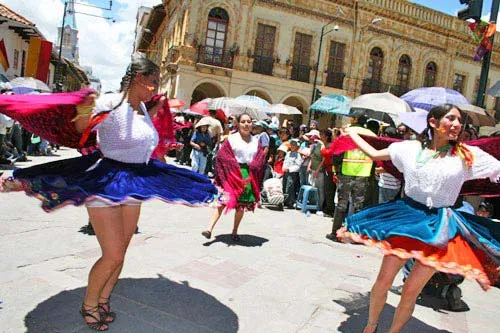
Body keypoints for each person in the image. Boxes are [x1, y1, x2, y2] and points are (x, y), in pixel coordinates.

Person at [0, 54, 218, 331]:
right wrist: (83, 109)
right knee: (112, 254)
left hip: (134, 182)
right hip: (106, 181)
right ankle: (88, 305)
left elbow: (143, 144)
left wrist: (166, 163)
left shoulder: (142, 111)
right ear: (139, 79)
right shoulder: (109, 102)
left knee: (122, 252)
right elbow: (81, 131)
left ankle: (103, 299)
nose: (156, 88)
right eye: (153, 82)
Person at [337, 104, 500, 333]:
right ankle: (370, 326)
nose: (457, 124)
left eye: (459, 120)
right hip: (407, 219)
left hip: (439, 227)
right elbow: (374, 154)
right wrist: (354, 133)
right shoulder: (410, 148)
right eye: (451, 118)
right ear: (433, 122)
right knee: (384, 281)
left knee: (411, 290)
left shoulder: (467, 155)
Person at [202, 113, 266, 241]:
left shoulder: (255, 141)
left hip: (248, 175)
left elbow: (260, 157)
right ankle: (209, 229)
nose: (246, 124)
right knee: (222, 201)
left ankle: (235, 231)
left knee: (241, 206)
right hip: (231, 174)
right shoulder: (232, 138)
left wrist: (254, 167)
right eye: (243, 122)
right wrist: (233, 166)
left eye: (249, 122)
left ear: (252, 124)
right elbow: (221, 156)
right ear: (238, 124)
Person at [326, 110, 375, 241]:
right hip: (364, 173)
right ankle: (357, 236)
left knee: (342, 203)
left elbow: (337, 152)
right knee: (358, 205)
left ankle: (335, 233)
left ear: (354, 119)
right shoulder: (371, 134)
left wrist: (336, 170)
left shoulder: (347, 133)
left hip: (347, 172)